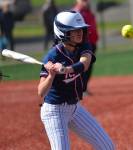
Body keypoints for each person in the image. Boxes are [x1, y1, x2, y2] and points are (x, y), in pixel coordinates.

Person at [38, 11, 115, 150]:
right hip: (54, 111)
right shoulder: (52, 56)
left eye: (80, 29)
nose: (79, 33)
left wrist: (66, 69)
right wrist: (51, 75)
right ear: (62, 32)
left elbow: (84, 64)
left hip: (75, 108)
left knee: (107, 147)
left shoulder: (84, 46)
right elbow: (41, 92)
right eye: (74, 30)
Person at [72, 0, 99, 95]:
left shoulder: (89, 12)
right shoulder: (76, 12)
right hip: (83, 44)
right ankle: (79, 89)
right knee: (82, 67)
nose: (86, 2)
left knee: (89, 67)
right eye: (83, 0)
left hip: (92, 43)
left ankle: (84, 88)